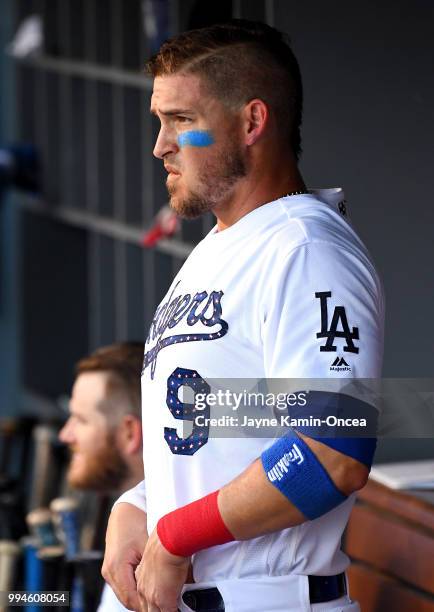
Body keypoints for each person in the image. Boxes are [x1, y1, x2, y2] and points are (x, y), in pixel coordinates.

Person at [102, 19, 385, 612]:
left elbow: (330, 452)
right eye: (160, 121)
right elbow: (226, 438)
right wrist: (140, 505)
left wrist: (177, 536)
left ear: (252, 122)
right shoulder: (220, 248)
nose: (160, 144)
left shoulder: (306, 251)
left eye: (183, 121)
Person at [59, 342, 145, 611]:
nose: (65, 435)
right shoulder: (130, 530)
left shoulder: (152, 557)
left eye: (80, 420)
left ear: (129, 433)